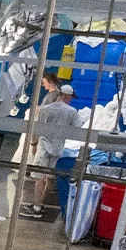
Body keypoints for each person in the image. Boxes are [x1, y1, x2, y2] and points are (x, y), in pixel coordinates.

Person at [21, 81, 83, 220]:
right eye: (71, 97)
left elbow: (36, 128)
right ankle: (40, 204)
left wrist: (34, 143)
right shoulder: (72, 112)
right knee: (50, 178)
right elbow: (78, 130)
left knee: (38, 177)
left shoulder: (45, 109)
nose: (71, 99)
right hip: (58, 148)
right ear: (67, 96)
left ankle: (37, 207)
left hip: (43, 146)